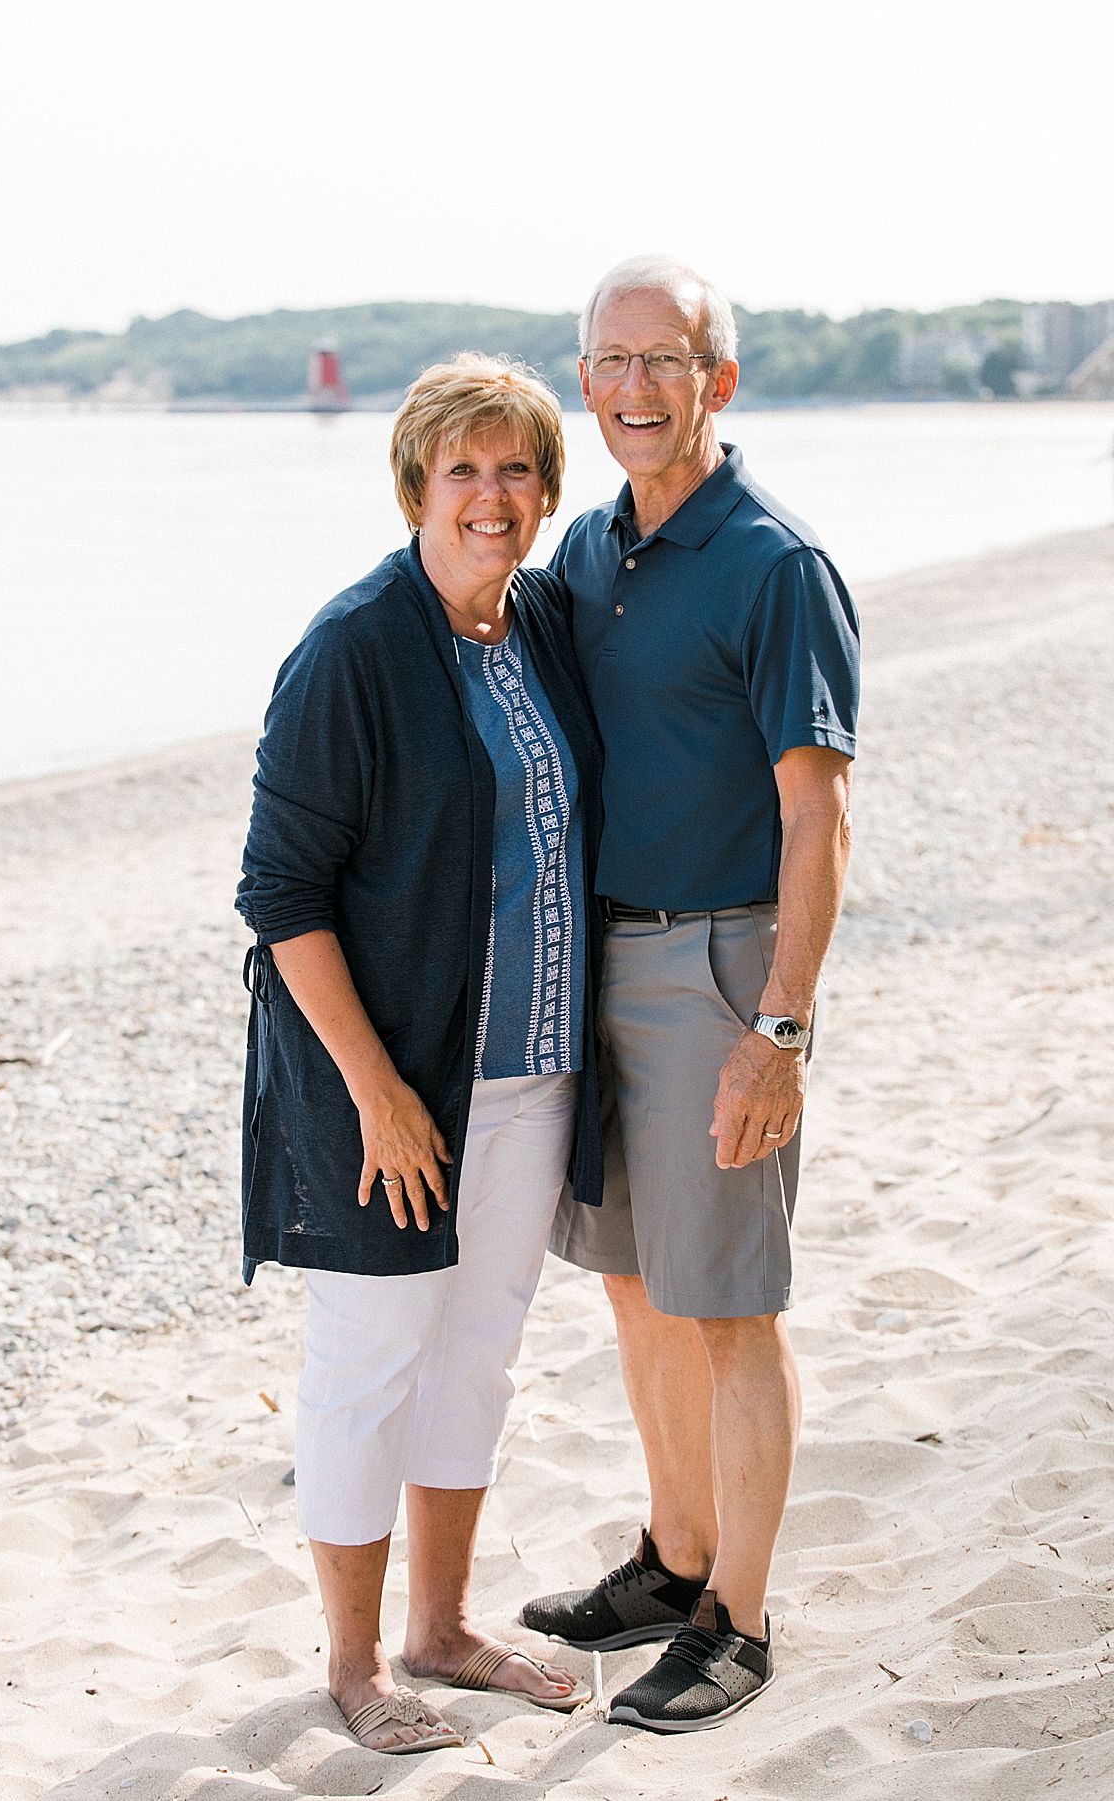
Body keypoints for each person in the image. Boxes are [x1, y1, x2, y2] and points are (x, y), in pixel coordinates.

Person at [235, 354, 604, 1755]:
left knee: (482, 1356)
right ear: (415, 487)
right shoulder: (352, 650)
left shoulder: (537, 635)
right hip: (387, 1085)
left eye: (516, 470)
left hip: (533, 1070)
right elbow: (281, 898)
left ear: (544, 491)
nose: (492, 497)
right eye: (464, 471)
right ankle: (352, 1659)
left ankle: (443, 1628)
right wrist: (378, 1093)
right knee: (370, 1359)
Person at [520, 256, 860, 1732]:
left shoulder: (776, 564)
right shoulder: (593, 555)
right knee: (636, 1286)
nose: (637, 390)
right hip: (599, 959)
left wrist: (779, 1029)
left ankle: (742, 1617)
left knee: (729, 1307)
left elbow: (818, 819)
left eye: (667, 362)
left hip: (722, 966)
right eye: (611, 362)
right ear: (584, 381)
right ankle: (672, 1558)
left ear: (719, 381)